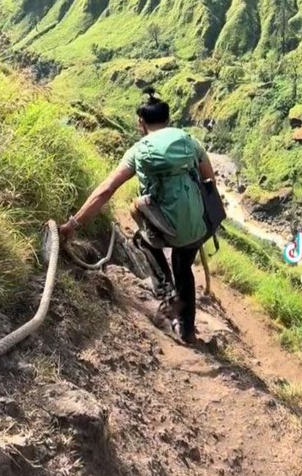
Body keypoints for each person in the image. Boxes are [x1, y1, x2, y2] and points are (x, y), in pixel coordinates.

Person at [59, 90, 217, 344]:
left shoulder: (139, 150)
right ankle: (187, 330)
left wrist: (73, 223)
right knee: (183, 266)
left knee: (143, 241)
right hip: (196, 223)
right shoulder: (190, 141)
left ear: (141, 123)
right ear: (168, 119)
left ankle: (168, 296)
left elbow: (107, 189)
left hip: (166, 226)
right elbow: (209, 178)